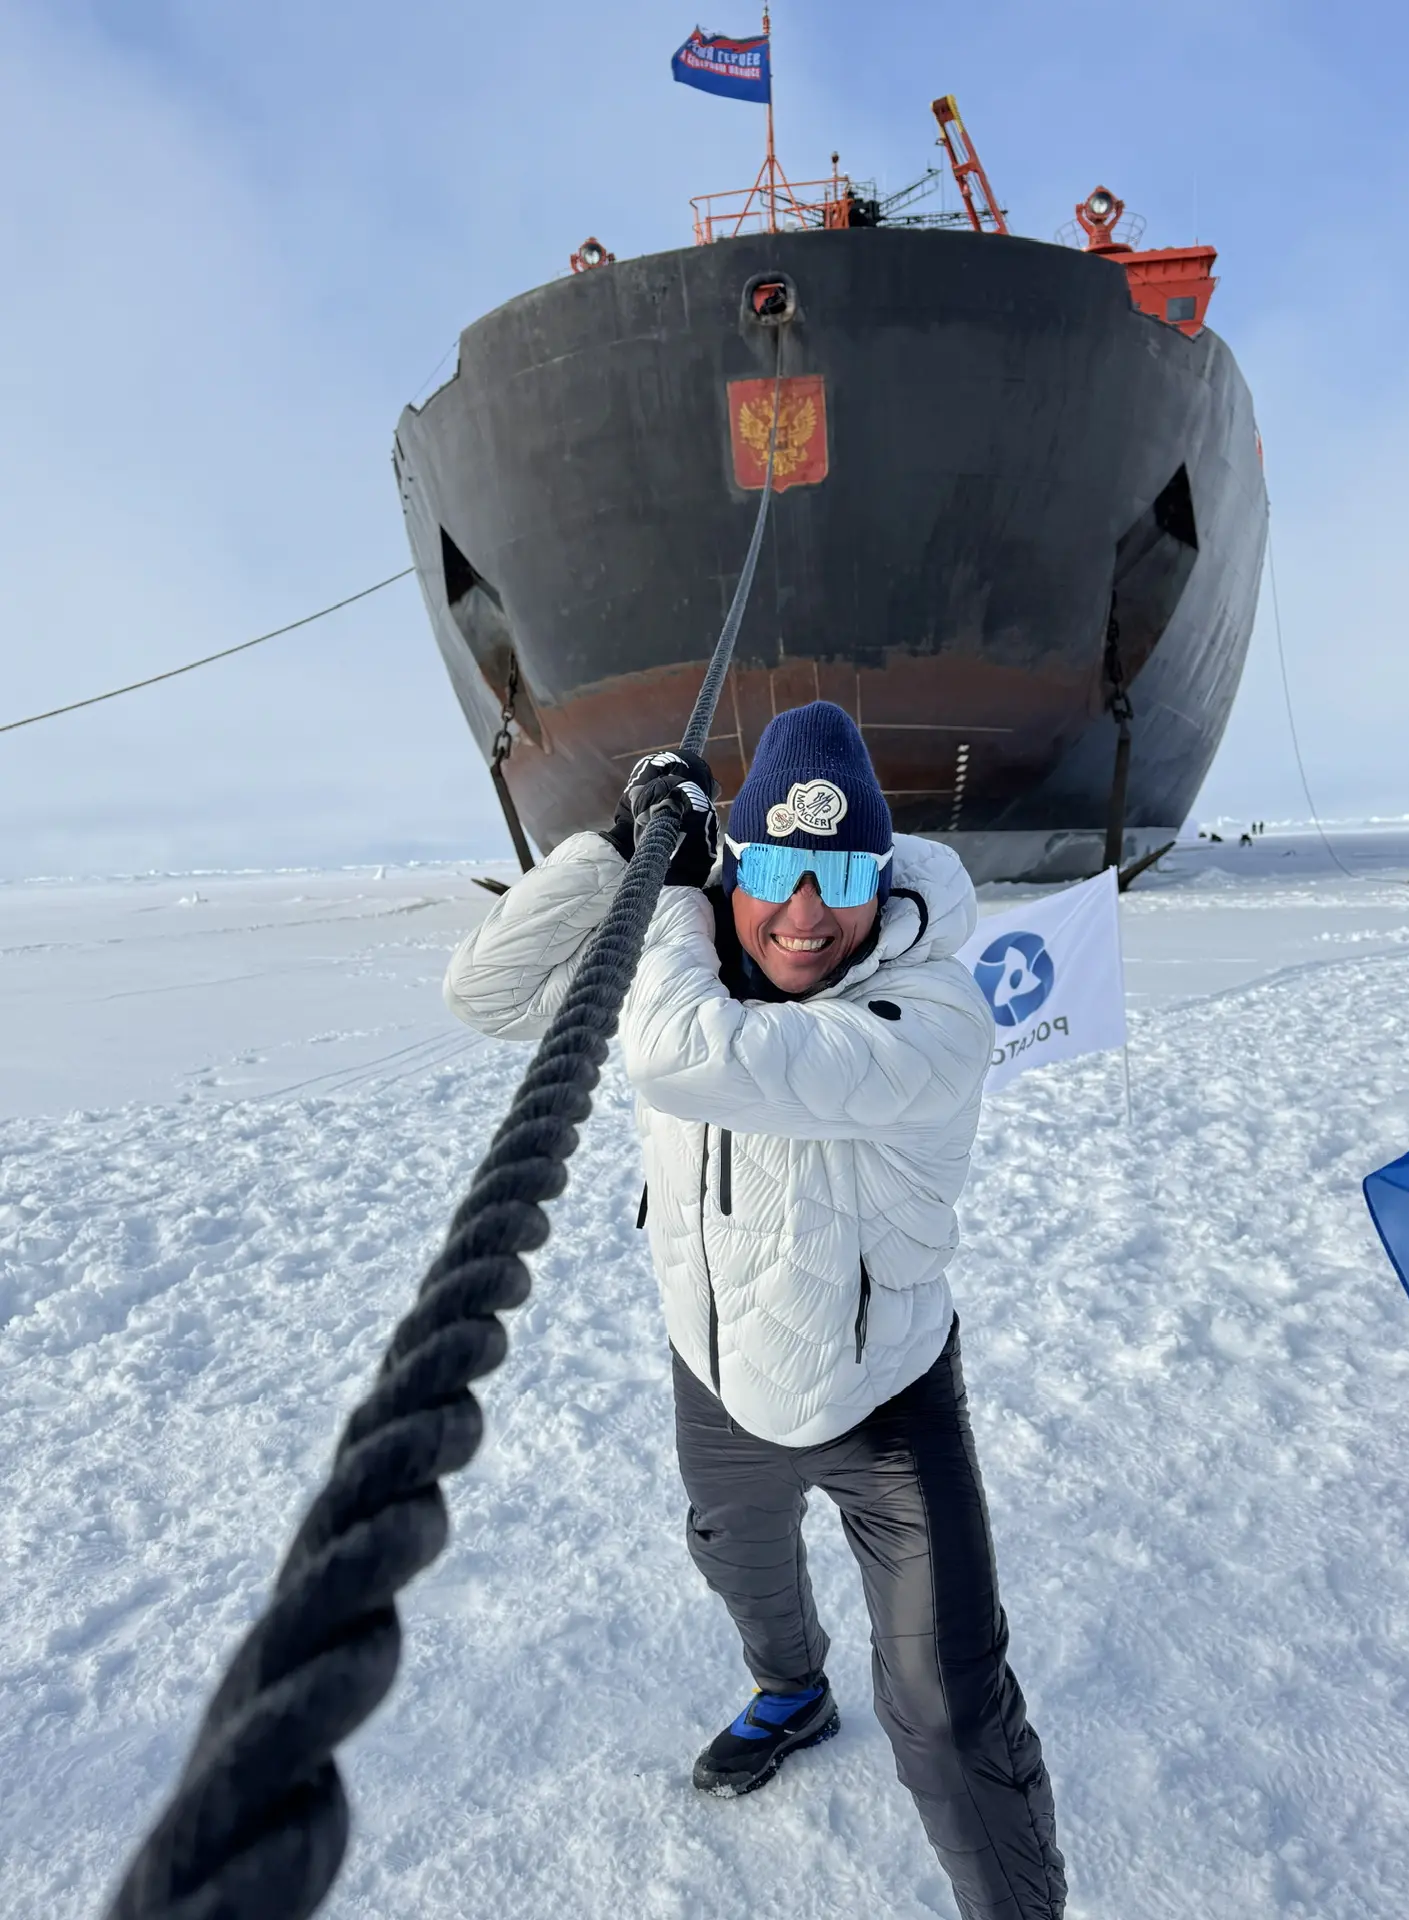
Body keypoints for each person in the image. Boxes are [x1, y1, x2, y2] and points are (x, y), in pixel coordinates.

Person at [443, 702, 1066, 1920]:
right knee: (736, 1558)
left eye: (842, 875)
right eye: (776, 870)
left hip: (885, 1400)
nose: (805, 912)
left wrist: (674, 896)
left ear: (882, 879)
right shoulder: (682, 958)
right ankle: (793, 1693)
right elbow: (486, 995)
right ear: (739, 865)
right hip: (717, 1369)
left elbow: (687, 1056)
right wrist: (615, 852)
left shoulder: (936, 1017)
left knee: (948, 1712)